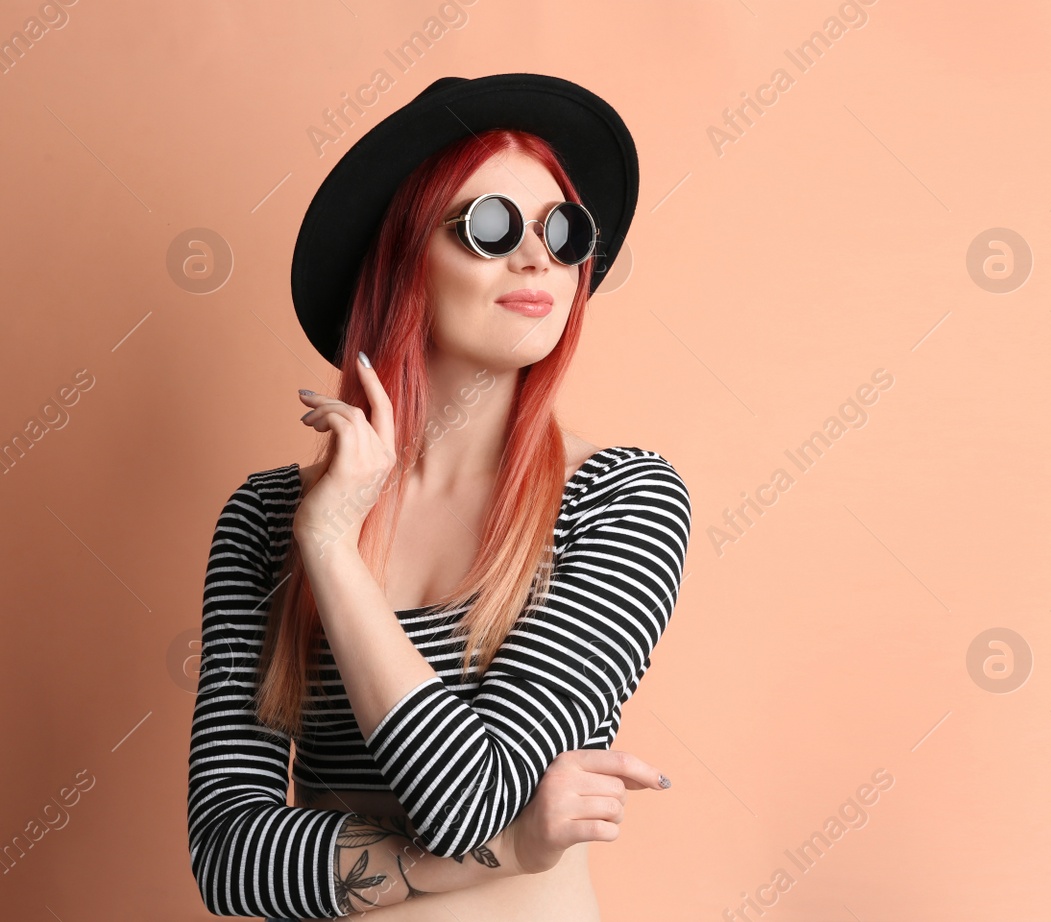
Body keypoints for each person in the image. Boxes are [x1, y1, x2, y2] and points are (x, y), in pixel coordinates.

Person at [186, 74, 691, 920]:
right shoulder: (268, 519)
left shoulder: (620, 497)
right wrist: (502, 855)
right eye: (490, 227)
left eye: (563, 232)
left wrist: (335, 559)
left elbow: (468, 803)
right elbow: (228, 857)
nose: (538, 259)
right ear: (399, 257)